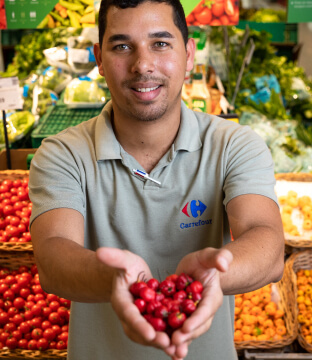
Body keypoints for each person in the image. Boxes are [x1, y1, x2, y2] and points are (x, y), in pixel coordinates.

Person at [28, 0, 285, 359]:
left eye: (161, 43)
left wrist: (213, 278)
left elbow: (268, 244)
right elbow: (53, 256)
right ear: (99, 60)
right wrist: (116, 279)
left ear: (189, 54)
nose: (142, 65)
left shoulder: (234, 144)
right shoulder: (62, 153)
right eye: (121, 46)